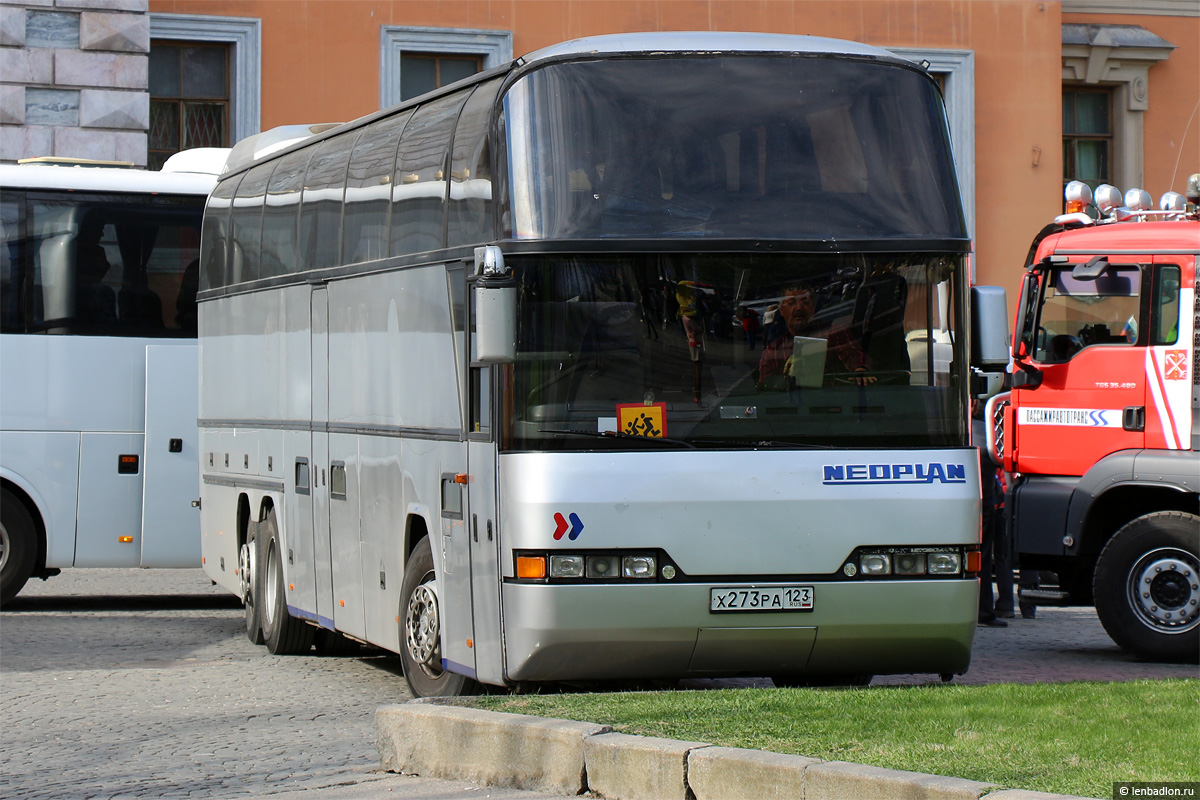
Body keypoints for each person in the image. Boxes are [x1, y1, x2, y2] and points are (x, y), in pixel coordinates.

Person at [757, 285, 871, 387]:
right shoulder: (773, 349)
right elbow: (766, 384)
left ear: (813, 309)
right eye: (791, 303)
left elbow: (853, 354)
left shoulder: (832, 332)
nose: (799, 308)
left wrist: (860, 369)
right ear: (782, 310)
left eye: (805, 303)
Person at [973, 401, 1007, 627]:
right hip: (985, 502)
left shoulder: (953, 429)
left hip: (975, 501)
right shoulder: (984, 431)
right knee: (984, 557)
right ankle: (984, 611)